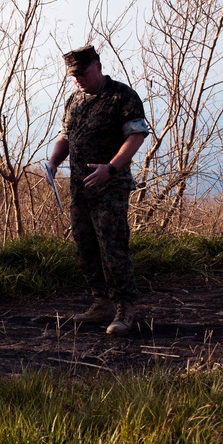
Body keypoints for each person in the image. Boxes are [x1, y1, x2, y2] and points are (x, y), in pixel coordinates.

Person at [46, 45, 149, 335]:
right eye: (73, 75)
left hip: (110, 188)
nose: (77, 79)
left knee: (113, 247)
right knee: (86, 247)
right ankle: (101, 302)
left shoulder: (121, 96)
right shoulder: (74, 101)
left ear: (98, 66)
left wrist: (111, 168)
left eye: (81, 73)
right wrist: (54, 163)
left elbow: (136, 135)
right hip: (80, 188)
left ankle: (125, 308)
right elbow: (66, 136)